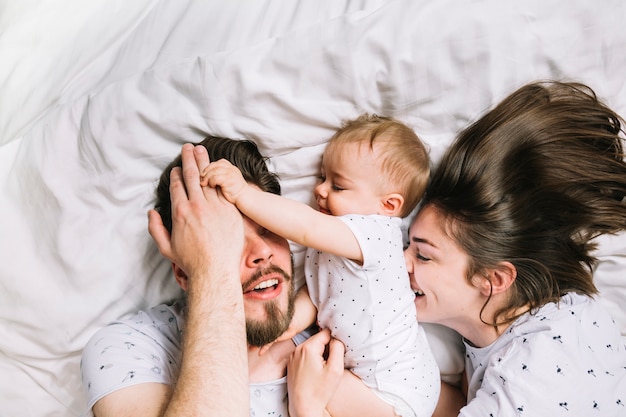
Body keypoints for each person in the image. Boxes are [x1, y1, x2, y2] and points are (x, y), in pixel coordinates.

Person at [289, 81, 626, 417]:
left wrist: (308, 406)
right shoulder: (524, 330)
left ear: (493, 279)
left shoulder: (544, 362)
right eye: (407, 246)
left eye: (422, 254)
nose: (399, 262)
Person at [203, 113, 441, 417]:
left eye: (338, 186)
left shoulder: (377, 234)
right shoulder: (333, 245)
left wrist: (243, 194)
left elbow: (305, 226)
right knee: (311, 376)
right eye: (321, 177)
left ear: (389, 206)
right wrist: (286, 328)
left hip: (395, 387)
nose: (321, 190)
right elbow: (317, 298)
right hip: (371, 379)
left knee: (310, 382)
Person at [80, 136, 304, 417]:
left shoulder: (341, 331)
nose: (262, 252)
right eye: (229, 239)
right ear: (184, 273)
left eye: (267, 228)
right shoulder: (126, 347)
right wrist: (211, 268)